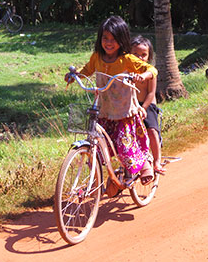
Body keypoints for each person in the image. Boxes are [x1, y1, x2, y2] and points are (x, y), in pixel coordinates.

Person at [65, 16, 158, 186]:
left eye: (113, 39)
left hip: (123, 112)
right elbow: (87, 70)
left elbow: (151, 69)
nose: (108, 43)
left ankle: (145, 163)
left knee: (125, 148)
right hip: (104, 110)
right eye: (105, 38)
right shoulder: (97, 57)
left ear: (121, 40)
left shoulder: (127, 59)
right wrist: (75, 76)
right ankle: (101, 180)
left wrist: (143, 75)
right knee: (99, 147)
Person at [131, 35, 165, 175]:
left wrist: (143, 107)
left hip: (147, 105)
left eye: (143, 55)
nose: (140, 57)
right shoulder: (127, 70)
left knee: (151, 130)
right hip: (132, 105)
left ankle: (157, 160)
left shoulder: (150, 71)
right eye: (135, 54)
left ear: (149, 56)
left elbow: (151, 93)